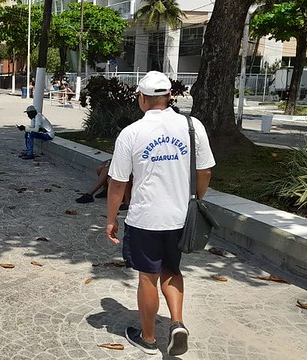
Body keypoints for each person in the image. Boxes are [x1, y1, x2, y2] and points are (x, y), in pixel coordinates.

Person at [106, 71, 215, 356]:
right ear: (169, 97)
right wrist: (196, 201)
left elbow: (118, 182)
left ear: (141, 99)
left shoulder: (131, 133)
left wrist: (110, 219)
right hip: (180, 217)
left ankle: (149, 338)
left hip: (145, 218)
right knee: (171, 270)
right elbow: (204, 171)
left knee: (147, 276)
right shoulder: (193, 126)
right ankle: (177, 323)